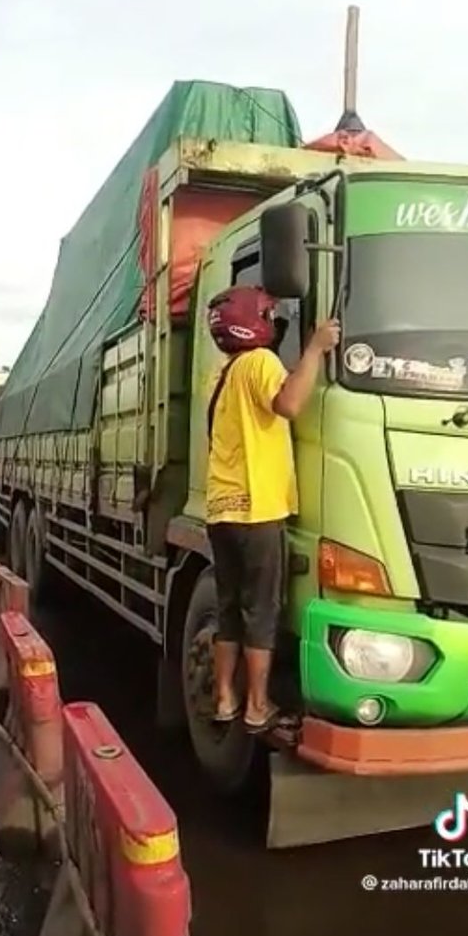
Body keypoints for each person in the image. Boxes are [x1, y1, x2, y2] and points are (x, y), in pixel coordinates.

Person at [205, 285, 340, 735]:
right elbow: (289, 403)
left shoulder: (220, 372)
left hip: (222, 510)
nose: (274, 320)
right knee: (260, 612)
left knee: (228, 610)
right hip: (258, 509)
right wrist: (316, 349)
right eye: (268, 314)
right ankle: (257, 707)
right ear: (253, 321)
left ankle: (224, 698)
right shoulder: (260, 363)